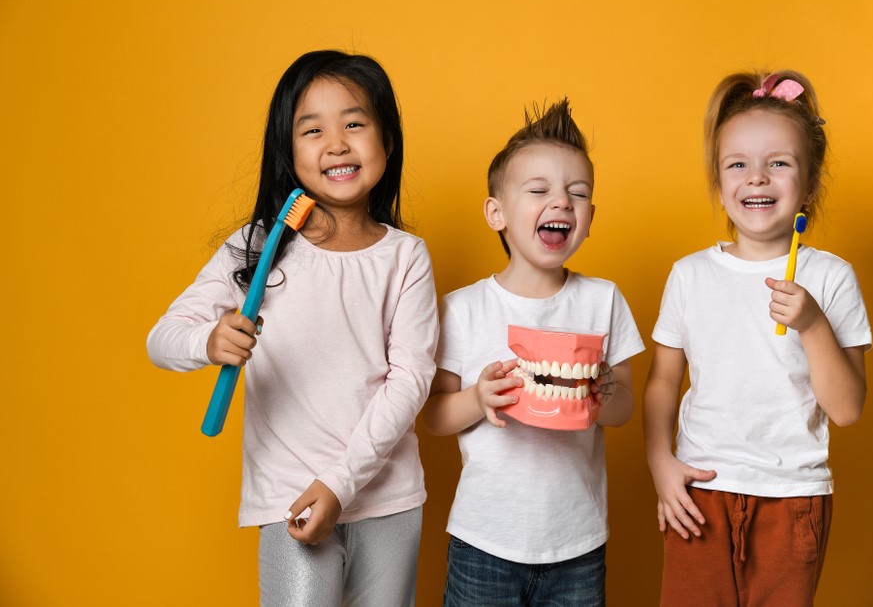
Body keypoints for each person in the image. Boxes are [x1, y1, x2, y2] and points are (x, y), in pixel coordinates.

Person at [147, 50, 438, 606]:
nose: (337, 143)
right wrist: (207, 342)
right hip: (288, 498)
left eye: (355, 123)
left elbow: (410, 379)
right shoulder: (256, 246)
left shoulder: (407, 257)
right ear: (288, 149)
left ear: (388, 140)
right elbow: (161, 339)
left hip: (388, 498)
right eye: (312, 129)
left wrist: (340, 484)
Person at [644, 70, 872, 606]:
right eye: (738, 164)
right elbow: (662, 382)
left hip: (793, 500)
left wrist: (813, 325)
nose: (757, 178)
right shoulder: (689, 275)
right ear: (719, 181)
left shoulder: (831, 278)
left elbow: (848, 408)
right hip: (699, 492)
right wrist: (660, 463)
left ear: (810, 183)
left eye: (779, 163)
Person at [423, 99, 644, 606]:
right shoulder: (464, 309)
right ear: (496, 213)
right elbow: (434, 414)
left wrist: (604, 393)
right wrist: (479, 398)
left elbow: (625, 407)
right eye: (539, 190)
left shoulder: (602, 299)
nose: (561, 202)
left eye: (578, 193)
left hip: (578, 543)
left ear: (589, 219)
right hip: (484, 541)